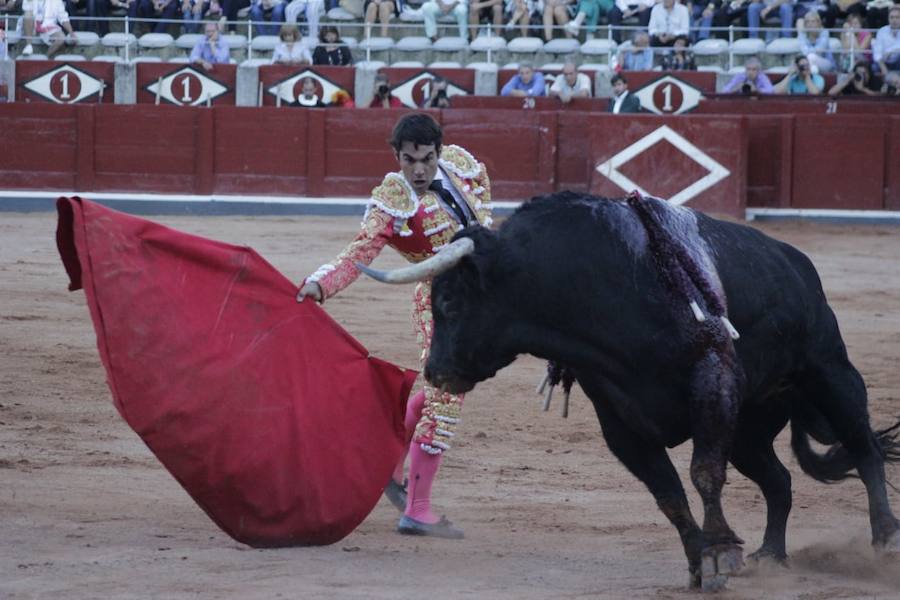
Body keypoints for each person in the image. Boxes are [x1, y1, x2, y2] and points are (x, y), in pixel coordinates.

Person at [296, 113, 493, 539]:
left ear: (440, 152)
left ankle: (388, 459)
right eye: (408, 161)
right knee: (446, 398)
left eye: (425, 159)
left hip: (482, 304)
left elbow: (485, 220)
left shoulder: (460, 167)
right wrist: (320, 284)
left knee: (445, 388)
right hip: (439, 303)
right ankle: (417, 510)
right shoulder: (391, 200)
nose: (418, 170)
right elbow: (357, 254)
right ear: (396, 157)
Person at [873, 5, 900, 74]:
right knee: (874, 67)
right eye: (892, 17)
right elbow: (877, 53)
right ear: (888, 19)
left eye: (897, 17)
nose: (894, 20)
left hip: (898, 62)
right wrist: (883, 67)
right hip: (883, 62)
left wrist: (891, 52)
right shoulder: (882, 31)